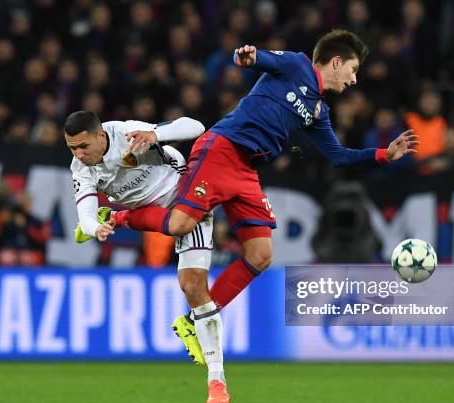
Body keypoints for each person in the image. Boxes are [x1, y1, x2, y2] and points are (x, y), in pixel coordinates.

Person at [109, 29, 417, 362]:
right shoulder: (297, 65)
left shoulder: (318, 111)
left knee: (260, 255)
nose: (354, 79)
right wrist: (248, 57)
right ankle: (116, 216)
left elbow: (338, 156)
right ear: (336, 61)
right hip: (222, 150)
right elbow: (261, 59)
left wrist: (384, 154)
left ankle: (193, 321)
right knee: (182, 224)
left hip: (246, 172)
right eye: (353, 70)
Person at [64, 110, 230, 403]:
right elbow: (85, 216)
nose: (78, 154)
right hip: (148, 214)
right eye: (72, 148)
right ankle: (115, 217)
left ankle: (216, 381)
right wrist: (94, 227)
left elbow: (196, 125)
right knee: (148, 228)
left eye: (82, 147)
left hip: (183, 196)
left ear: (101, 137)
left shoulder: (126, 133)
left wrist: (156, 134)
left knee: (193, 287)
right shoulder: (81, 169)